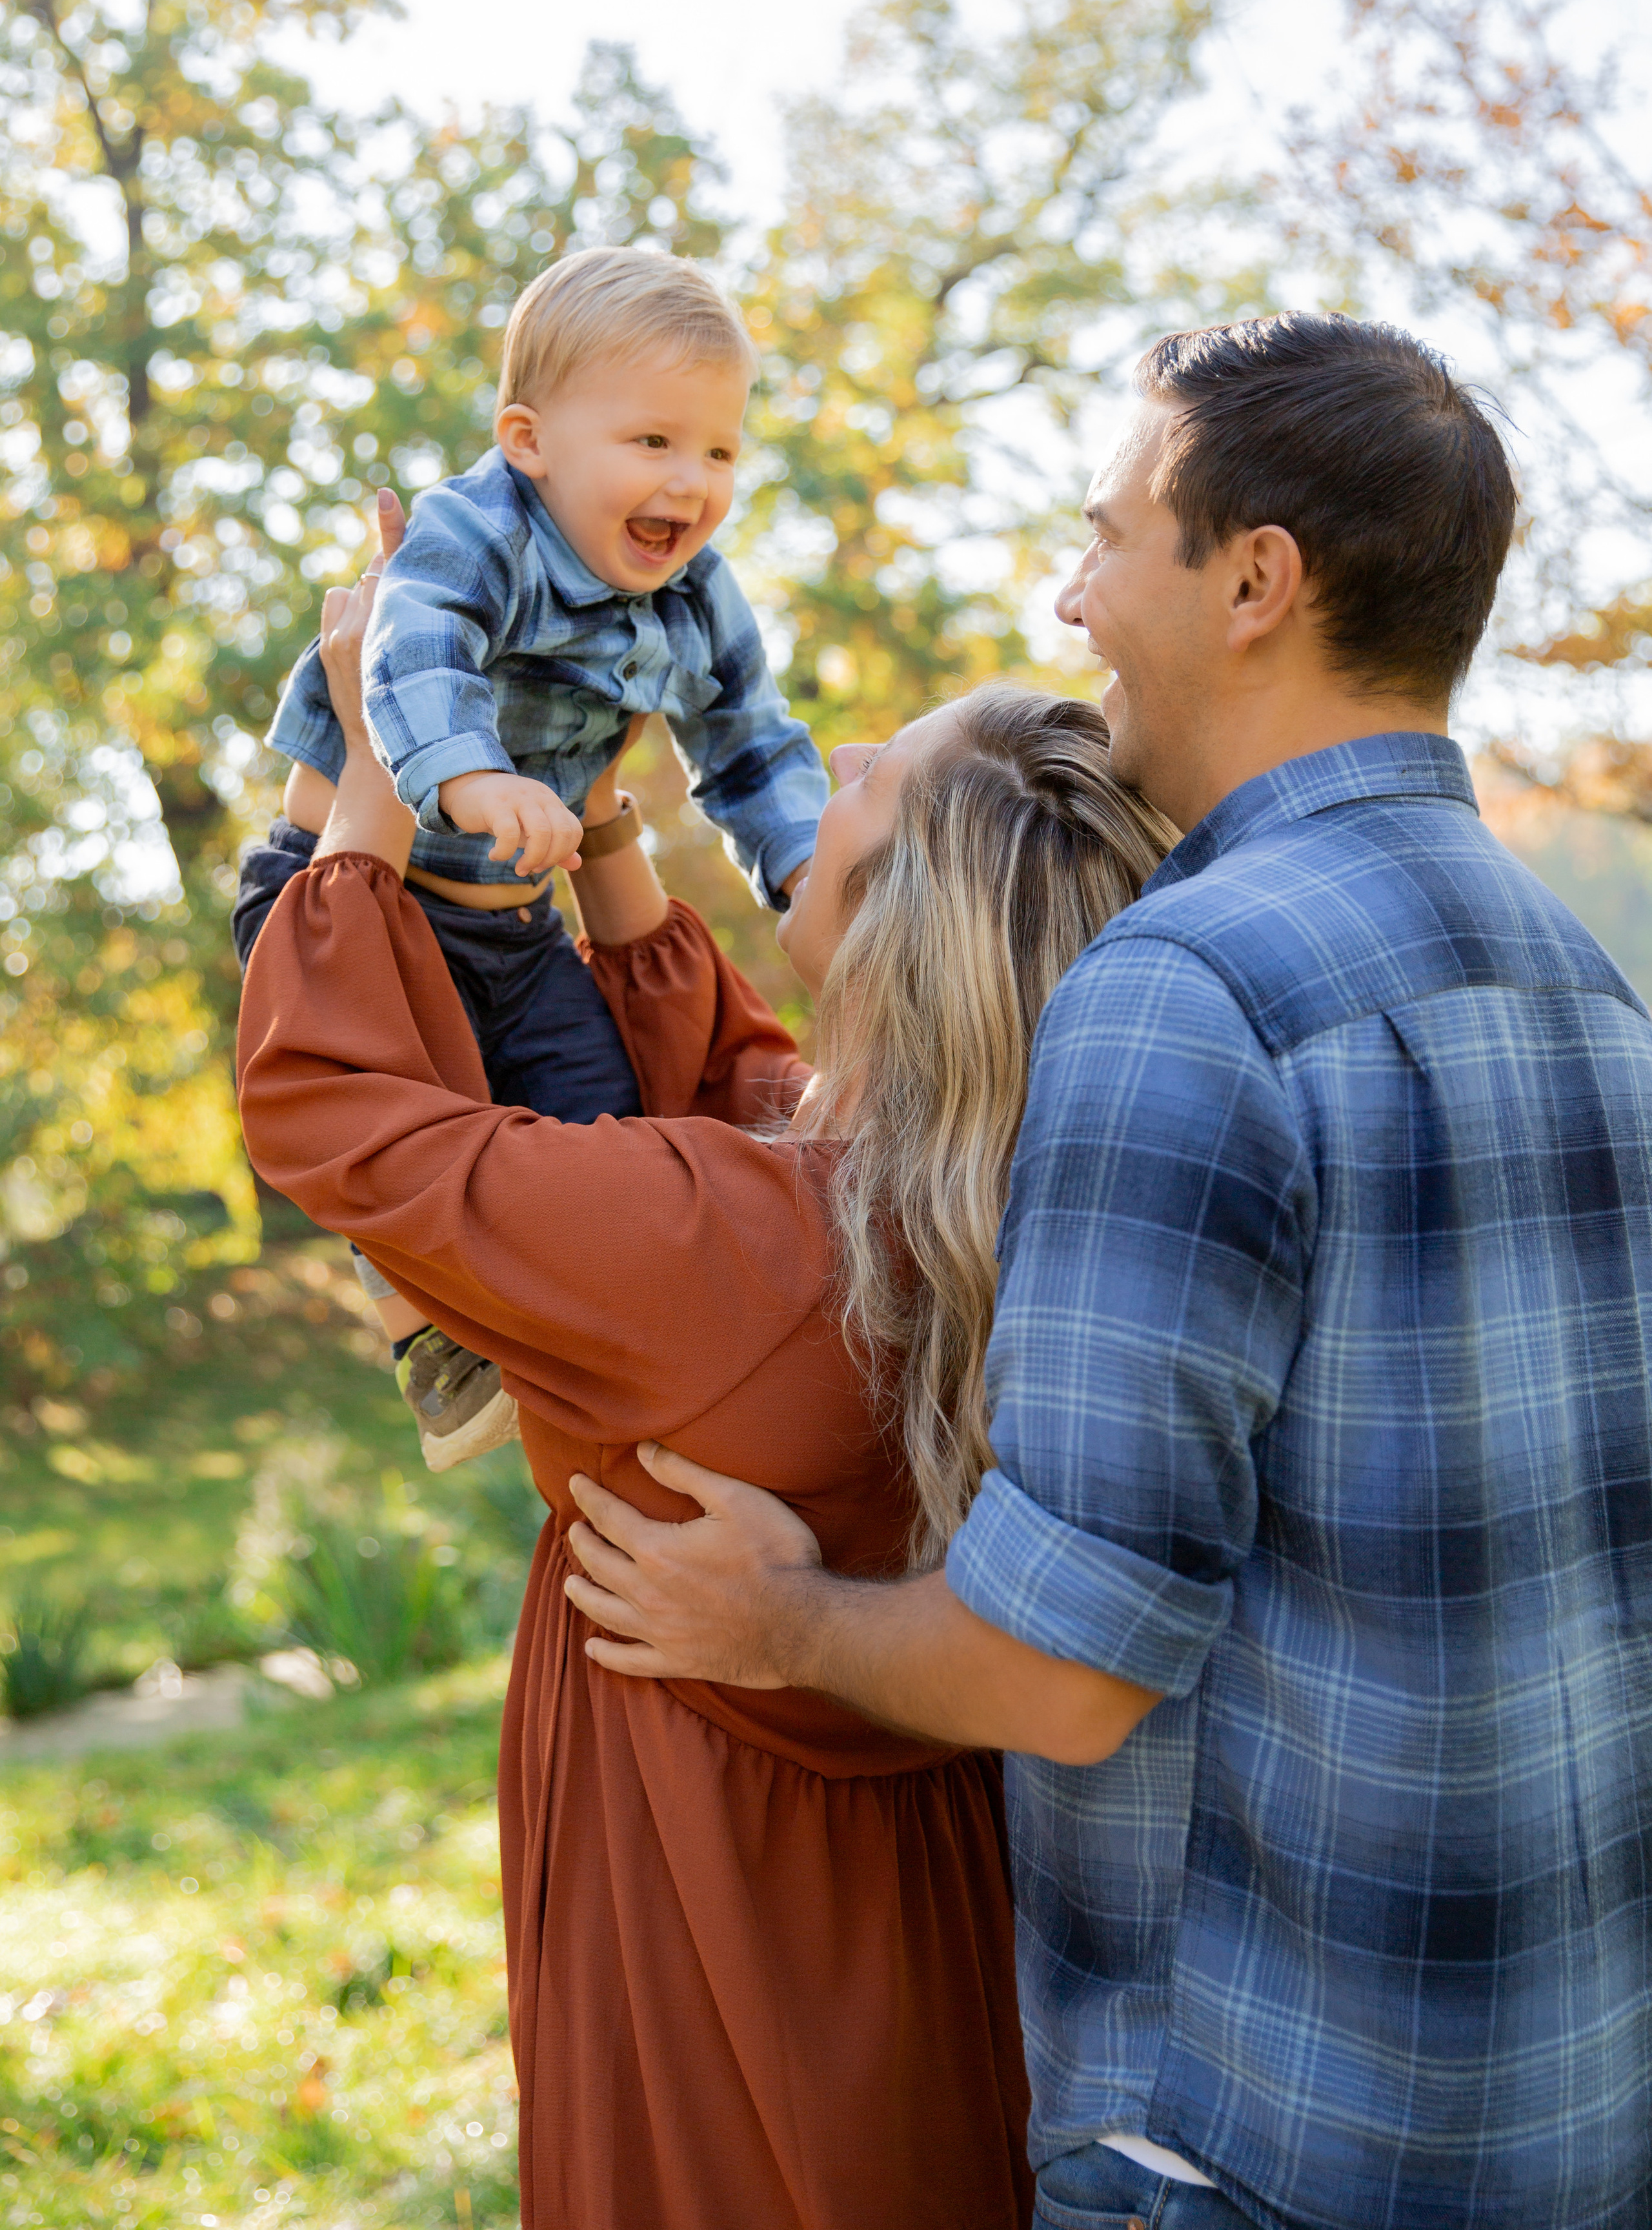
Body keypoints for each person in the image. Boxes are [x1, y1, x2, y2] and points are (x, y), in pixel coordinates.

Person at [558, 312, 1652, 2230]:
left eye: (1107, 537)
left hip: (1249, 2147)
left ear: (1255, 581)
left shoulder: (1186, 990)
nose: (1071, 601)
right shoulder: (1586, 987)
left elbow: (1065, 1670)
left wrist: (785, 1623)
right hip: (1563, 2112)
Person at [234, 562, 1178, 2230]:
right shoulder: (959, 1190)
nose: (851, 746)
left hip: (712, 1904)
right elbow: (729, 1070)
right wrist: (604, 834)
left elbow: (334, 1115)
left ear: (888, 914)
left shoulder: (726, 1243)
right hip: (909, 1900)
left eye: (882, 771)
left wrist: (383, 766)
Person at [241, 246, 828, 1464]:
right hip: (359, 897)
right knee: (404, 1110)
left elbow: (752, 740)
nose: (694, 482)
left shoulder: (697, 597)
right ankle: (429, 1330)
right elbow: (412, 647)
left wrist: (811, 871)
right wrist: (468, 772)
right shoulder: (475, 532)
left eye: (720, 451)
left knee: (594, 1110)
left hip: (519, 924)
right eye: (655, 443)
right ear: (528, 440)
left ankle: (584, 1314)